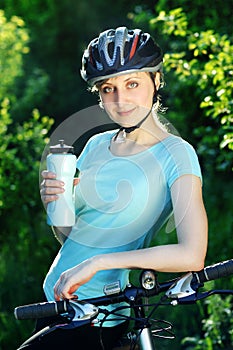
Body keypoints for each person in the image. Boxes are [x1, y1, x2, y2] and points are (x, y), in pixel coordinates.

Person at [19, 27, 208, 349]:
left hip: (101, 315)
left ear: (156, 80)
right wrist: (56, 202)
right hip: (57, 306)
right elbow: (75, 238)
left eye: (132, 83)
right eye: (108, 88)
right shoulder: (96, 144)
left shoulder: (176, 153)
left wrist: (99, 263)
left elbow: (191, 255)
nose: (121, 100)